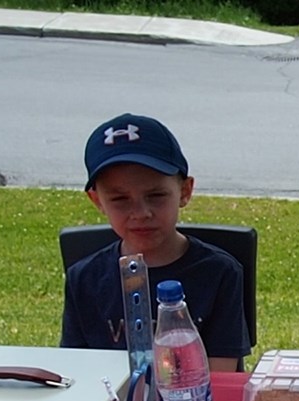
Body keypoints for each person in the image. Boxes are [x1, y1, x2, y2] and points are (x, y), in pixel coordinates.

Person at [61, 113, 250, 372]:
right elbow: (76, 370)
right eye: (120, 199)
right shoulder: (84, 278)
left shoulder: (220, 273)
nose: (141, 213)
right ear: (97, 201)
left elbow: (221, 376)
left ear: (184, 191)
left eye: (156, 195)